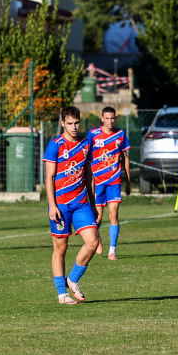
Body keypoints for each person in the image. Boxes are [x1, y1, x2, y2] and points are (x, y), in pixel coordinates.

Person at [44, 106, 99, 305]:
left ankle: (73, 279)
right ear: (62, 123)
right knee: (61, 248)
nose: (74, 127)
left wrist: (93, 204)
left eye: (76, 123)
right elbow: (49, 177)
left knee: (92, 242)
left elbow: (88, 175)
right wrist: (52, 205)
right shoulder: (55, 144)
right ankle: (62, 294)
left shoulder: (86, 144)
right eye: (69, 123)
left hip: (82, 203)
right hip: (61, 205)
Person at [87, 106, 132, 260]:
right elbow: (87, 156)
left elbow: (125, 157)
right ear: (102, 119)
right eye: (107, 118)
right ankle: (97, 238)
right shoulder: (93, 134)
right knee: (97, 218)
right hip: (98, 182)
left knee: (114, 214)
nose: (110, 121)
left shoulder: (120, 135)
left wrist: (129, 181)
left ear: (115, 118)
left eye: (112, 118)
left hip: (114, 181)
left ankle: (112, 251)